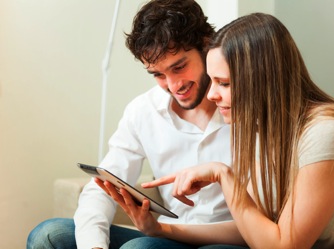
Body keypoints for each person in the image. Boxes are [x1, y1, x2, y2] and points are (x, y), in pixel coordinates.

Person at [140, 13, 334, 248]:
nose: (211, 95)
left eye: (224, 83)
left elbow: (284, 246)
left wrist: (222, 175)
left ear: (263, 79)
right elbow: (251, 230)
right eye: (212, 81)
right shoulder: (266, 133)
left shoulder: (326, 133)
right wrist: (161, 229)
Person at [27, 1, 237, 248]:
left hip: (229, 240)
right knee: (48, 235)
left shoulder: (245, 106)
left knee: (138, 248)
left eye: (179, 67)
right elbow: (103, 186)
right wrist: (94, 246)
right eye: (158, 74)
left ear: (205, 44)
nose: (173, 85)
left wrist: (160, 230)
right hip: (168, 237)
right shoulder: (144, 111)